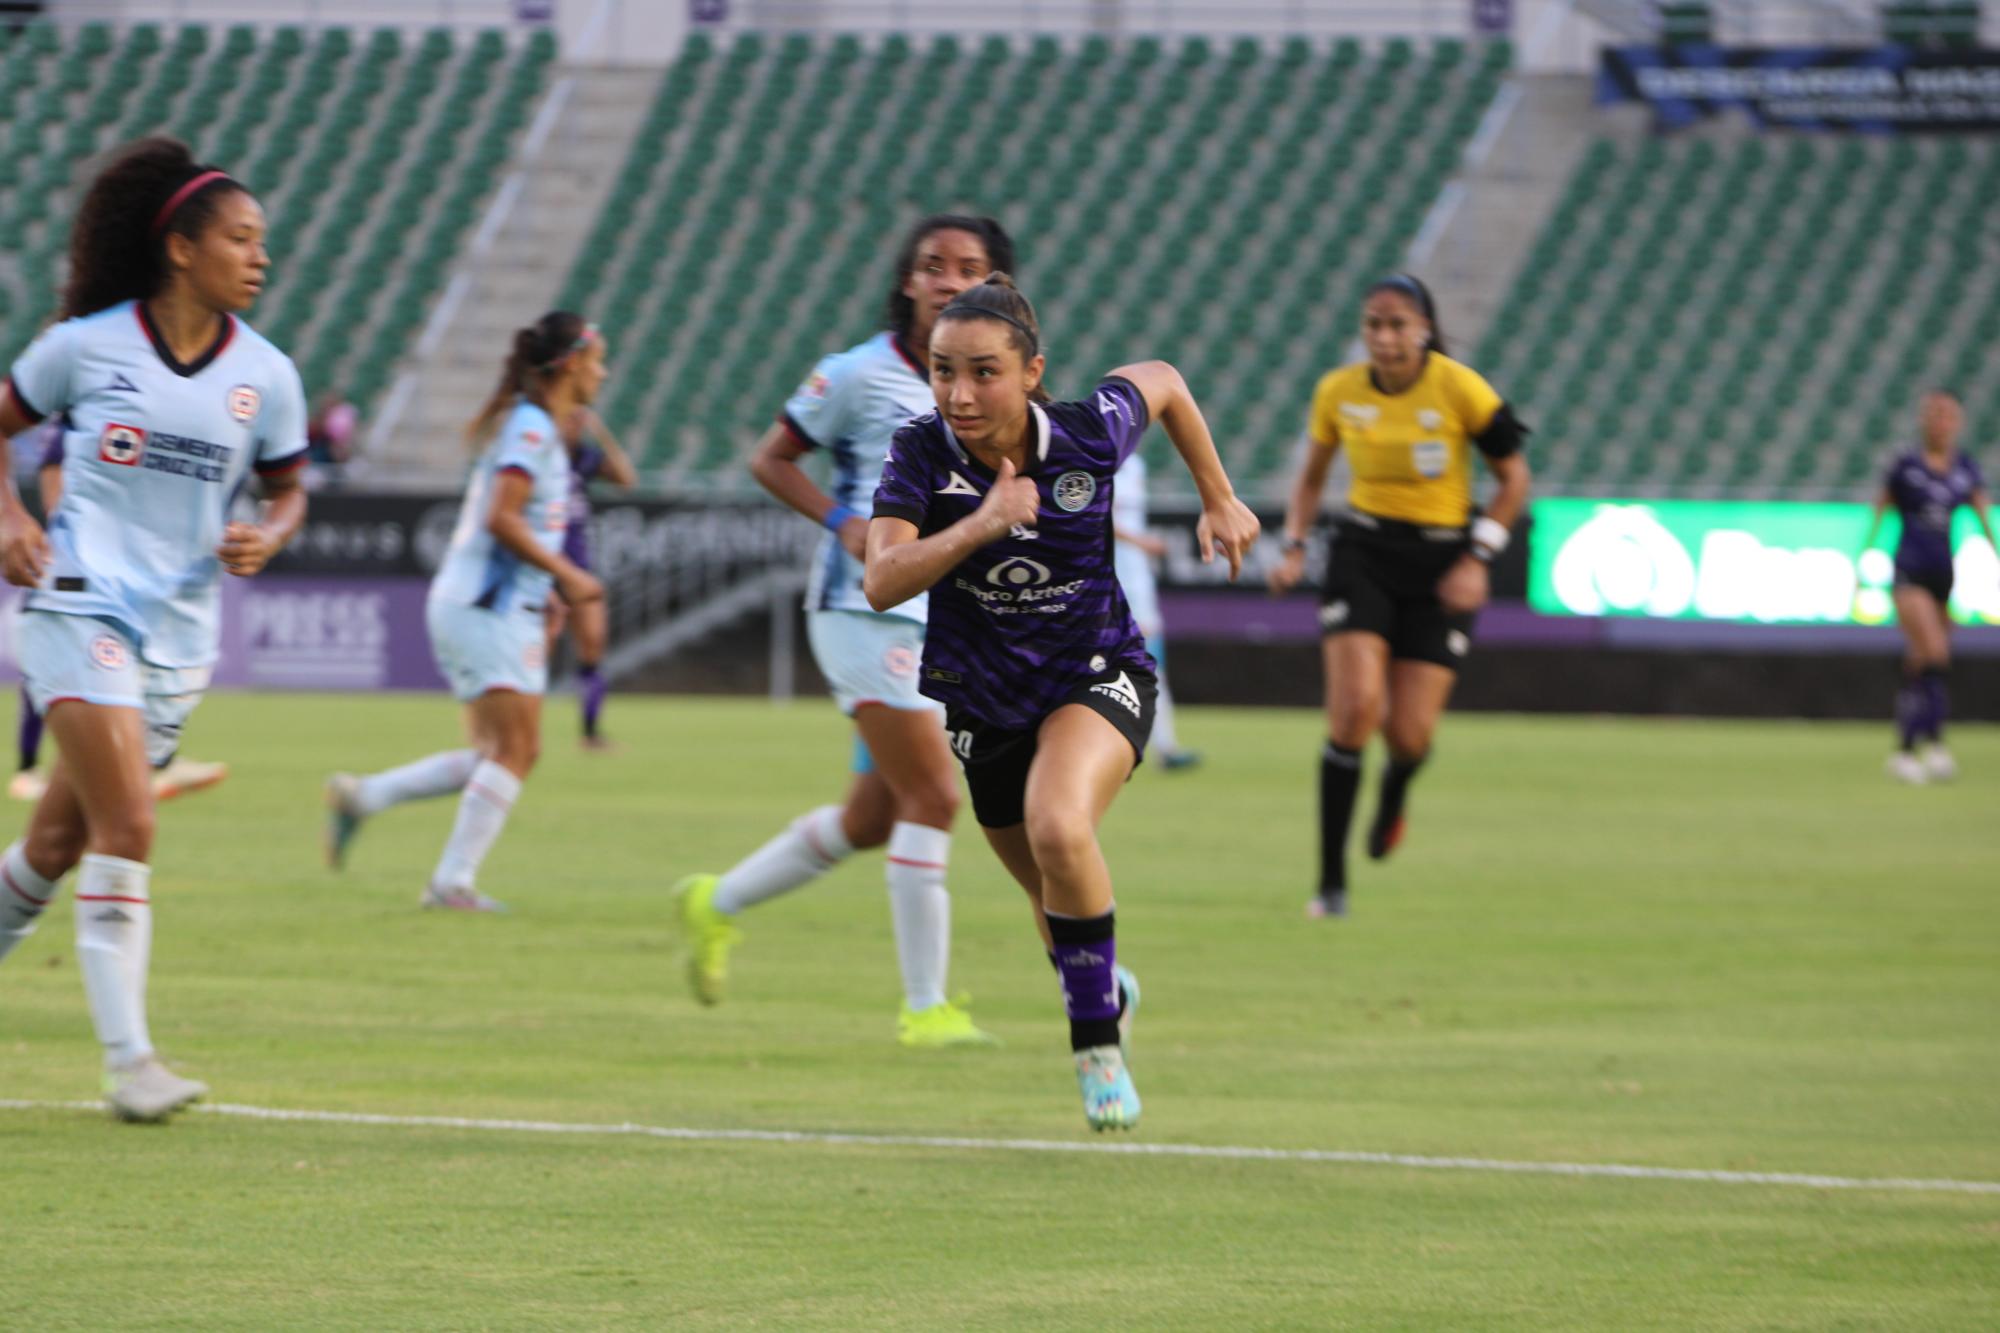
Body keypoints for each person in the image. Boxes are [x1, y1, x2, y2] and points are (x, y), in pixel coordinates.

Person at [865, 273, 1259, 1130]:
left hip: (1096, 670)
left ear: (1031, 371)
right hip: (979, 696)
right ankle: (1102, 984)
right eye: (942, 371)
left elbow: (1163, 379)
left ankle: (1096, 1048)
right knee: (1050, 895)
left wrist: (1218, 493)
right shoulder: (918, 451)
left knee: (1058, 824)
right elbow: (881, 579)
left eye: (983, 372)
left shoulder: (1085, 433)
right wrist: (982, 523)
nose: (960, 394)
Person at [0, 137, 308, 1121]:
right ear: (182, 246)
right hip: (80, 601)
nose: (259, 257)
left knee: (52, 847)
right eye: (241, 239)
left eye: (263, 242)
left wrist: (270, 532)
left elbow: (290, 488)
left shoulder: (268, 375)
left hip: (181, 636)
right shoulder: (87, 346)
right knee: (130, 824)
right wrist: (10, 518)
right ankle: (132, 1064)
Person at [674, 215, 1015, 1049]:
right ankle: (924, 1007)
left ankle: (714, 902)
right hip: (864, 610)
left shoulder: (994, 388)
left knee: (871, 817)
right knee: (935, 797)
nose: (946, 279)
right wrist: (844, 523)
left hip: (937, 618)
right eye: (931, 265)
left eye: (968, 267)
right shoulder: (859, 374)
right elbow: (771, 457)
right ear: (906, 281)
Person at [1268, 274, 1531, 920]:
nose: (1384, 338)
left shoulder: (1460, 388)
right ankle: (1330, 883)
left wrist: (1479, 557)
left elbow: (1513, 478)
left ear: (1424, 328)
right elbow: (1311, 478)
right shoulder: (1338, 391)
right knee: (1355, 711)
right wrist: (1296, 542)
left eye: (1397, 324)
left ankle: (1395, 792)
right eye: (1373, 325)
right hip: (1364, 553)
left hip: (1445, 562)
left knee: (1409, 735)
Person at [324, 313, 605, 911]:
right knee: (516, 751)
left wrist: (547, 590)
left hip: (497, 604)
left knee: (496, 752)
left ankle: (366, 797)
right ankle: (450, 884)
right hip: (487, 607)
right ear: (572, 364)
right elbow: (501, 518)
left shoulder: (538, 429)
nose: (603, 372)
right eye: (597, 359)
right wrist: (569, 574)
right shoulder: (532, 429)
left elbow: (523, 524)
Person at [11, 418, 230, 804]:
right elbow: (53, 469)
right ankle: (28, 768)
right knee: (51, 661)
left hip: (128, 564)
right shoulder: (88, 407)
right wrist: (72, 533)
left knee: (140, 658)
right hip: (78, 560)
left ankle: (157, 762)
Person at [1863, 388, 1994, 783]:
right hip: (1909, 570)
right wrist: (1865, 557)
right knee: (1932, 651)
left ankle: (1911, 749)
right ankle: (1931, 749)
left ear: (1957, 423)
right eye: (1934, 414)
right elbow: (1880, 510)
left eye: (1947, 415)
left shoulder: (1965, 468)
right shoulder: (1905, 466)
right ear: (1923, 420)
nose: (1940, 422)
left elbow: (1984, 515)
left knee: (1924, 662)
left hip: (1944, 572)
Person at [546, 404, 635, 749]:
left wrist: (601, 432)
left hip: (578, 568)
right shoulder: (541, 458)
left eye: (577, 419)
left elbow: (627, 479)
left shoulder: (585, 458)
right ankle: (521, 727)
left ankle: (590, 732)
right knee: (538, 653)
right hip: (542, 566)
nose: (574, 425)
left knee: (593, 645)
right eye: (568, 417)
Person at [1111, 449, 1199, 769]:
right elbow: (1096, 518)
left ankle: (1165, 745)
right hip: (1109, 578)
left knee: (1151, 659)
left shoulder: (1135, 464)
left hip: (1136, 581)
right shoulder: (1092, 460)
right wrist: (1141, 542)